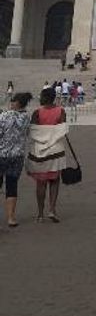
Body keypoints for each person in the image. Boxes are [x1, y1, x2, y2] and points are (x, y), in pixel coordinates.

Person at [26, 87, 69, 223]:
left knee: (41, 182)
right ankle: (52, 209)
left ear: (45, 97)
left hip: (41, 150)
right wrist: (52, 132)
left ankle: (40, 214)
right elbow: (62, 129)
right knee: (55, 180)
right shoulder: (61, 111)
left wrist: (44, 134)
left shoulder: (37, 112)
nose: (40, 98)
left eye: (41, 96)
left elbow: (33, 131)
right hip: (56, 149)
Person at [0, 91, 32, 226]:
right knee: (12, 186)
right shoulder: (26, 117)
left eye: (12, 101)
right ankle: (11, 217)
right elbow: (27, 133)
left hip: (1, 154)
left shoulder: (4, 116)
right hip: (17, 156)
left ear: (16, 103)